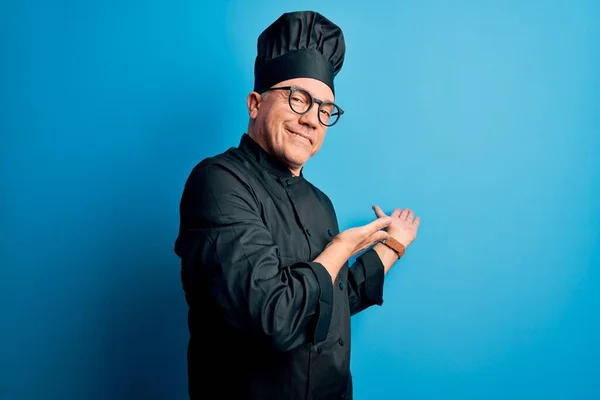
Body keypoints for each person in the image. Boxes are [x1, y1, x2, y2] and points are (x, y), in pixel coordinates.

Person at [174, 10, 420, 400]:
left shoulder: (320, 203)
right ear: (255, 103)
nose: (312, 120)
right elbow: (275, 317)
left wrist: (391, 247)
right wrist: (340, 248)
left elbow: (330, 300)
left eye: (325, 109)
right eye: (298, 99)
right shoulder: (218, 183)